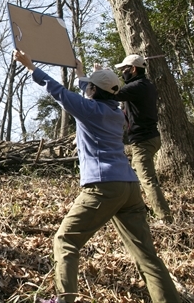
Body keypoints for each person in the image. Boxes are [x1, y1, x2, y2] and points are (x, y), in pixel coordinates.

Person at [13, 50, 180, 303]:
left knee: (65, 240)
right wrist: (82, 74)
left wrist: (30, 67)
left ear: (93, 91)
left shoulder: (90, 110)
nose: (86, 88)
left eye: (89, 85)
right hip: (130, 187)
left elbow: (58, 90)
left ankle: (64, 299)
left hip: (104, 186)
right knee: (146, 254)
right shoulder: (116, 113)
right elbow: (91, 94)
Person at [114, 54, 173, 223]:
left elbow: (112, 94)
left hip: (143, 140)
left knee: (147, 179)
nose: (122, 73)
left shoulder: (136, 86)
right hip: (151, 138)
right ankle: (141, 209)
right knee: (134, 175)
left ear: (133, 69)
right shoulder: (146, 85)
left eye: (124, 69)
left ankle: (165, 217)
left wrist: (101, 77)